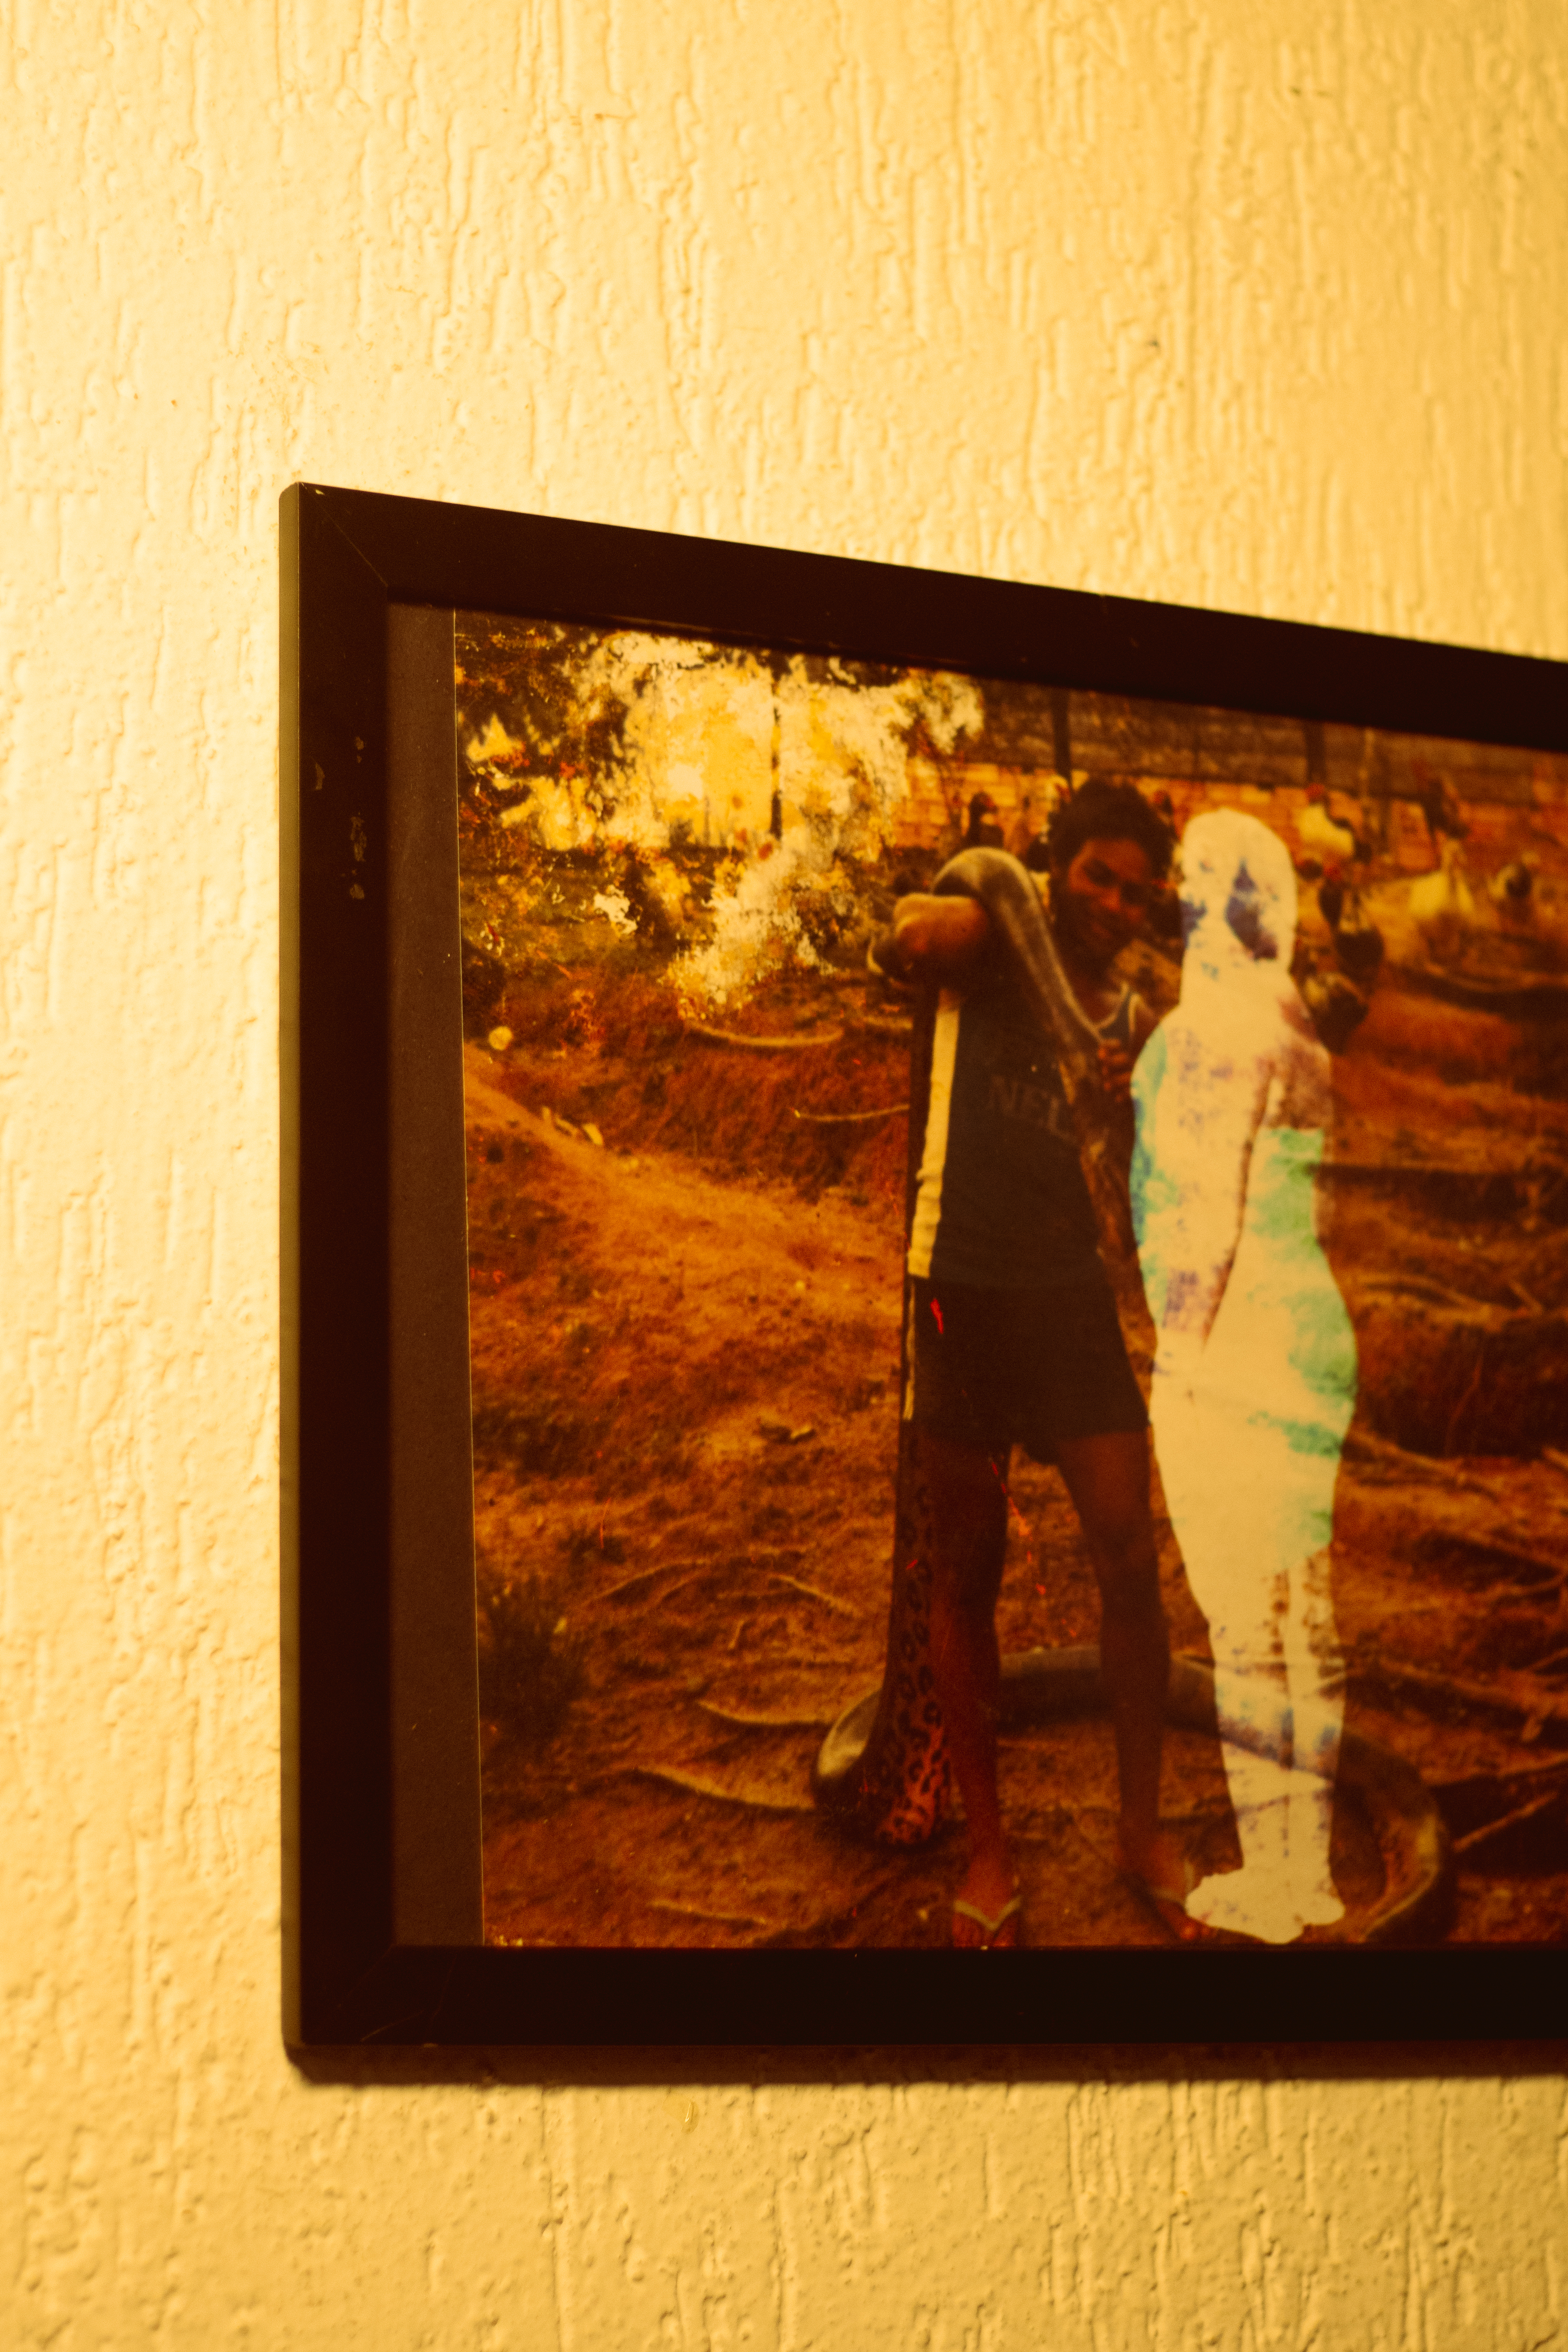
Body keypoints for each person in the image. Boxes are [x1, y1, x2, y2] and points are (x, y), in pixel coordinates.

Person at [880, 779, 1185, 1946]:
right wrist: (932, 915)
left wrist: (1127, 1104)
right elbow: (920, 933)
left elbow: (1134, 1174)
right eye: (1097, 876)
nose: (1115, 899)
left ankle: (1141, 1832)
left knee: (1126, 1552)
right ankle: (991, 1852)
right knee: (967, 1569)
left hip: (1067, 1298)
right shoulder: (993, 941)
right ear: (1056, 870)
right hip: (957, 1284)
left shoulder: (1133, 1013)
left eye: (1135, 887)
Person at [1131, 809, 1358, 1942]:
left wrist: (1181, 1354)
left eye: (1186, 883)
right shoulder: (1296, 1022)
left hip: (1235, 1340)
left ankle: (1273, 1879)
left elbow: (1203, 1213)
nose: (1174, 900)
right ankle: (1305, 1866)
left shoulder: (1208, 1027)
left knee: (1240, 1627)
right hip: (1311, 1326)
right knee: (1305, 1613)